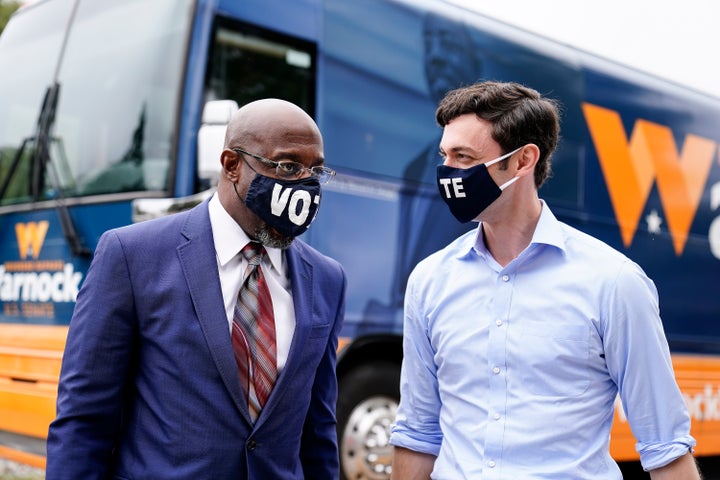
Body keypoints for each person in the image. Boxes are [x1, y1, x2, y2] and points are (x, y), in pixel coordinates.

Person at [389, 81, 700, 479]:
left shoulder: (614, 283)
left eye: (464, 157)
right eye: (445, 155)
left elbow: (665, 448)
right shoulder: (429, 280)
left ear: (523, 161)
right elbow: (417, 432)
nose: (448, 172)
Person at [46, 98, 346, 479]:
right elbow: (83, 418)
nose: (304, 184)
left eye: (315, 170)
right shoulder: (132, 255)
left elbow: (318, 431)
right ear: (232, 165)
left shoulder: (327, 279)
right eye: (288, 166)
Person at [363, 11, 482, 330]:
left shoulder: (493, 163)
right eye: (428, 43)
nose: (435, 56)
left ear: (475, 60)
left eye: (447, 42)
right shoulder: (415, 167)